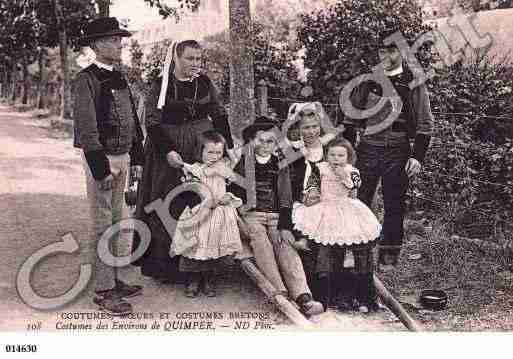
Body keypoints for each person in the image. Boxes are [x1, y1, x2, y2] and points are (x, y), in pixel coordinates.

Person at [132, 40, 235, 283]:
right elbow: (153, 122)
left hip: (200, 149)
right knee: (168, 201)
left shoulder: (205, 83)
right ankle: (167, 267)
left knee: (200, 202)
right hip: (168, 150)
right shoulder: (161, 84)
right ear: (176, 59)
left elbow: (219, 114)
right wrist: (167, 150)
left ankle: (202, 266)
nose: (195, 64)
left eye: (199, 59)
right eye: (190, 59)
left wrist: (227, 146)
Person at [343, 28, 434, 271]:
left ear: (402, 51)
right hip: (368, 147)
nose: (386, 54)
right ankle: (355, 248)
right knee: (359, 199)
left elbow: (425, 122)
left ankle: (389, 254)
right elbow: (350, 119)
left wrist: (417, 156)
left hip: (398, 148)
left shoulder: (413, 81)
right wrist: (350, 151)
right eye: (382, 50)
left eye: (391, 49)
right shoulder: (369, 80)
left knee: (395, 203)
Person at [73, 17, 144, 315]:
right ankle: (103, 291)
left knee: (119, 222)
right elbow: (86, 128)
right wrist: (100, 169)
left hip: (123, 156)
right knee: (103, 224)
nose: (119, 44)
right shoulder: (85, 79)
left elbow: (133, 120)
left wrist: (137, 157)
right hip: (102, 160)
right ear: (97, 45)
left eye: (119, 39)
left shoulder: (120, 76)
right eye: (114, 40)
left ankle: (114, 279)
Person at [229, 116, 324, 316]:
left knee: (284, 245)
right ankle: (279, 291)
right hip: (252, 215)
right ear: (252, 141)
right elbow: (235, 189)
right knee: (261, 244)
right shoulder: (244, 161)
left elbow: (286, 195)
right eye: (260, 140)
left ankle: (303, 296)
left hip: (274, 215)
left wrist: (284, 224)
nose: (265, 145)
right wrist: (240, 206)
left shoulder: (280, 163)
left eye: (270, 141)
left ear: (276, 143)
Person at [292, 138, 381, 312]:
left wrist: (343, 175)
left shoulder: (352, 170)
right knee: (324, 248)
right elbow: (312, 183)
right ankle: (325, 296)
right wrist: (312, 192)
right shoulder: (320, 168)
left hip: (344, 208)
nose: (336, 159)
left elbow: (355, 186)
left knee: (352, 248)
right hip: (324, 207)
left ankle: (355, 296)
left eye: (341, 155)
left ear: (348, 157)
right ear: (326, 155)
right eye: (332, 154)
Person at [169, 131, 243, 297]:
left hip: (218, 213)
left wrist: (227, 196)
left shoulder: (224, 168)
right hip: (199, 213)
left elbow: (235, 179)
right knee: (196, 243)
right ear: (200, 151)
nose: (214, 156)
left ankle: (209, 278)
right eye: (210, 152)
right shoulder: (196, 169)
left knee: (214, 243)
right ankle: (193, 279)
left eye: (218, 152)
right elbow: (189, 185)